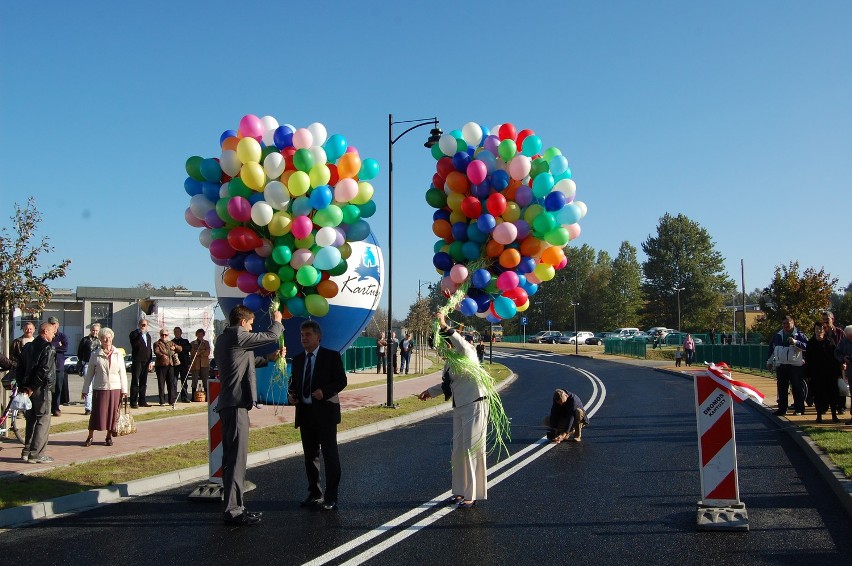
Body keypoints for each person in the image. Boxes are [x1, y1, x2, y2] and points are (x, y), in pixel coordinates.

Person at [216, 305, 285, 526]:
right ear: (243, 321)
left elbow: (247, 362)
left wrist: (270, 357)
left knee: (231, 459)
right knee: (237, 460)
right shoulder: (238, 334)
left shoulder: (226, 338)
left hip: (230, 405)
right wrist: (277, 320)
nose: (252, 326)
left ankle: (234, 506)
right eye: (251, 323)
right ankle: (234, 510)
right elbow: (272, 335)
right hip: (235, 406)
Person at [418, 311, 488, 509]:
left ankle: (471, 495)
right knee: (457, 451)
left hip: (475, 404)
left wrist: (443, 323)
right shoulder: (450, 361)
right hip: (459, 406)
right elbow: (449, 384)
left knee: (471, 451)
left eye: (441, 346)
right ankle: (458, 491)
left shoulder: (468, 352)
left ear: (448, 342)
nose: (440, 351)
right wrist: (430, 392)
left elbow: (460, 342)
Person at [288, 320, 347, 512]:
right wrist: (292, 395)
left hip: (326, 414)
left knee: (330, 456)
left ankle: (331, 497)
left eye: (308, 335)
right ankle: (315, 493)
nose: (304, 338)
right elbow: (294, 382)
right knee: (310, 456)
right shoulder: (297, 359)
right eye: (302, 335)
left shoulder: (331, 356)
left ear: (318, 337)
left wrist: (325, 391)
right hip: (305, 414)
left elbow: (341, 381)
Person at [18, 322, 57, 464]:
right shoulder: (48, 347)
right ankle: (37, 453)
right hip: (42, 388)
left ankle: (27, 450)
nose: (54, 334)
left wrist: (25, 386)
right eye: (53, 332)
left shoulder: (28, 346)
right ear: (45, 331)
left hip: (29, 388)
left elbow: (20, 367)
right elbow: (44, 370)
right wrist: (33, 387)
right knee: (43, 420)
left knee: (31, 419)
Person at [81, 327, 128, 446]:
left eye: (109, 337)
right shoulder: (95, 354)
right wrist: (85, 389)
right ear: (100, 340)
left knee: (113, 414)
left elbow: (122, 373)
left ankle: (108, 437)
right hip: (100, 388)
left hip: (115, 388)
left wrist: (124, 390)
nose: (107, 340)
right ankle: (90, 436)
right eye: (104, 338)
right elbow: (90, 374)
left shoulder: (118, 354)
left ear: (112, 338)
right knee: (97, 413)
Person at [766, 315, 808, 416]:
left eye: (788, 323)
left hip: (795, 365)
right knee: (782, 387)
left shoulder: (799, 335)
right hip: (781, 365)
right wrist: (769, 362)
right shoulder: (778, 335)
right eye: (784, 323)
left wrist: (795, 342)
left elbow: (807, 347)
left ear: (793, 323)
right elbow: (772, 348)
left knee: (797, 387)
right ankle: (782, 409)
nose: (786, 325)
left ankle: (799, 409)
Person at [805, 322, 841, 423]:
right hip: (816, 374)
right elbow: (807, 359)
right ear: (814, 330)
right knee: (818, 395)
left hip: (830, 374)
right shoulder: (811, 343)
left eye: (821, 329)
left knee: (832, 395)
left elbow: (835, 358)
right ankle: (819, 416)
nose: (819, 331)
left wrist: (838, 373)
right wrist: (807, 374)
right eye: (817, 329)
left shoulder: (830, 342)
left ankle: (834, 415)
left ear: (824, 330)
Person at [822, 311, 846, 415]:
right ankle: (826, 406)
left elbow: (845, 348)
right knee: (826, 385)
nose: (825, 322)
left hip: (838, 363)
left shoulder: (840, 332)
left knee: (840, 385)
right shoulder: (821, 332)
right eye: (823, 320)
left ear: (833, 319)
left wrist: (843, 361)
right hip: (826, 363)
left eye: (827, 320)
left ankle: (841, 406)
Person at [77, 323, 101, 416]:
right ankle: (88, 408)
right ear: (91, 330)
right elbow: (79, 353)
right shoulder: (85, 340)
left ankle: (97, 407)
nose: (95, 332)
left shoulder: (100, 340)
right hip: (87, 364)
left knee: (98, 386)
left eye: (96, 330)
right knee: (88, 386)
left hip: (98, 365)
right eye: (93, 330)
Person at [128, 318, 153, 408]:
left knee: (143, 382)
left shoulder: (148, 336)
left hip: (146, 361)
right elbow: (134, 344)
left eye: (145, 325)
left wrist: (150, 361)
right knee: (135, 381)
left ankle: (142, 401)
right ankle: (133, 402)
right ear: (139, 325)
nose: (143, 326)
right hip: (137, 360)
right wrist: (140, 334)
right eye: (141, 325)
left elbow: (149, 349)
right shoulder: (134, 334)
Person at [48, 316, 69, 416]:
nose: (53, 326)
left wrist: (53, 345)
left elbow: (65, 348)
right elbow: (46, 347)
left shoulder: (62, 336)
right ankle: (48, 407)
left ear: (57, 325)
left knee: (58, 388)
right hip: (48, 366)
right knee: (48, 388)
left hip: (59, 366)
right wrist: (57, 344)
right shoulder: (47, 335)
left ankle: (56, 408)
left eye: (54, 324)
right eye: (51, 324)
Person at [153, 328, 178, 408]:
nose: (164, 336)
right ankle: (162, 401)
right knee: (161, 384)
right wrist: (166, 353)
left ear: (168, 335)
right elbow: (157, 352)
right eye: (162, 335)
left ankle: (171, 401)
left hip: (170, 365)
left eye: (165, 335)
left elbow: (180, 348)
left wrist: (175, 347)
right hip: (161, 365)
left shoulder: (171, 343)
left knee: (171, 383)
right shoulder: (157, 343)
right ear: (160, 335)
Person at [833, 326, 852, 425]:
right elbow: (836, 352)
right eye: (848, 337)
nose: (850, 339)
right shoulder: (844, 342)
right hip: (850, 371)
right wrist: (843, 358)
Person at [189, 328, 212, 401]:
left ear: (203, 335)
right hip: (195, 364)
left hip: (204, 364)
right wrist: (201, 351)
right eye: (199, 334)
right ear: (196, 335)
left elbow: (207, 352)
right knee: (194, 380)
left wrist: (199, 352)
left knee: (205, 380)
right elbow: (193, 353)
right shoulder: (192, 343)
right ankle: (193, 396)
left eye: (201, 334)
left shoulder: (206, 343)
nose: (200, 336)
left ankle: (207, 396)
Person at [172, 327, 191, 402]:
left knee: (184, 381)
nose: (176, 333)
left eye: (178, 331)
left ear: (181, 332)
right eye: (175, 332)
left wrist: (178, 348)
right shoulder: (172, 341)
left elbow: (188, 348)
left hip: (184, 363)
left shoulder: (185, 341)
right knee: (174, 381)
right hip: (175, 364)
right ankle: (173, 398)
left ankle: (185, 397)